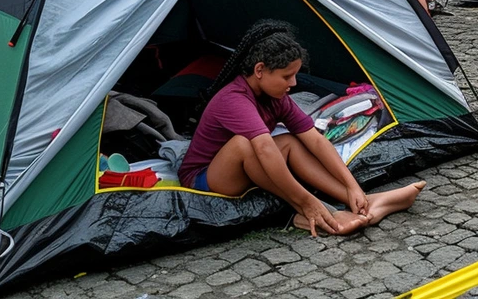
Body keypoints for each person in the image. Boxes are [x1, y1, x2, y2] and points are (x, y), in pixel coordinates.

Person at [177, 20, 426, 236]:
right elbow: (262, 148)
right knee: (247, 145)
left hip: (244, 168)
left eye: (295, 75)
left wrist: (352, 186)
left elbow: (316, 141)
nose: (293, 83)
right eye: (287, 77)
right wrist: (307, 200)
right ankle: (314, 209)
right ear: (260, 70)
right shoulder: (234, 98)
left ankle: (361, 200)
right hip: (205, 178)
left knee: (289, 141)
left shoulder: (277, 99)